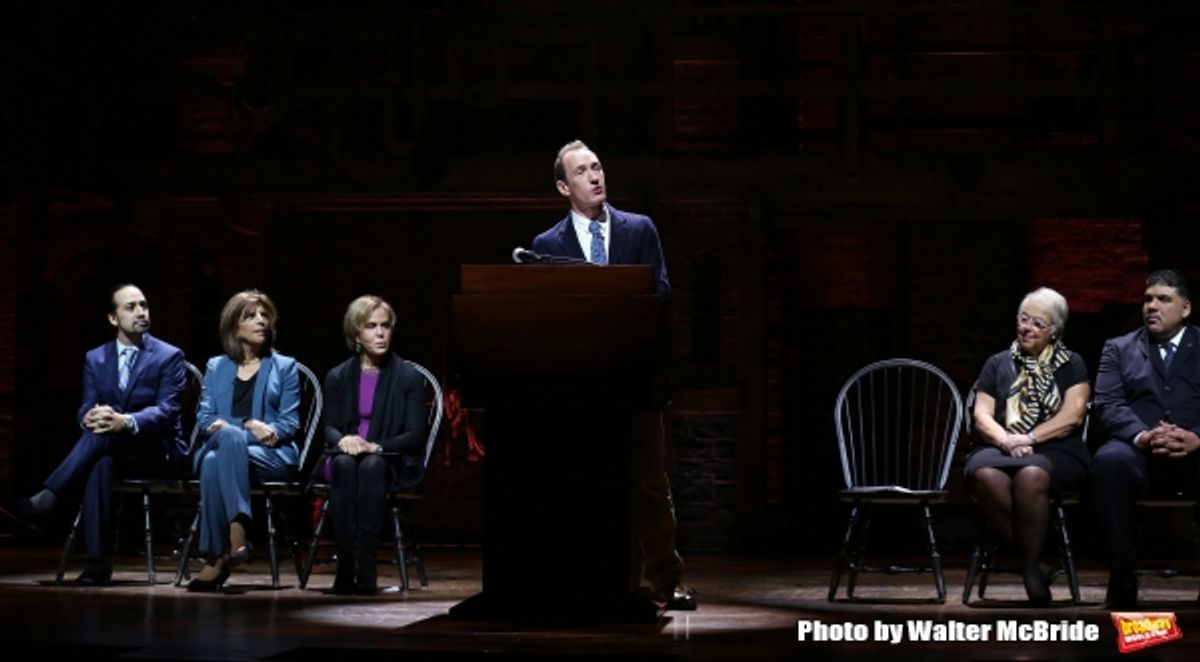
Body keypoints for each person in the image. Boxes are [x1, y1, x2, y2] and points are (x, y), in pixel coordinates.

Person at [530, 139, 694, 610]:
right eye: (582, 172)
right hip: (580, 384)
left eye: (598, 167)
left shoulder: (639, 229)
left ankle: (667, 579)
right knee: (582, 481)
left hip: (636, 376)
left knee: (649, 482)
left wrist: (612, 313)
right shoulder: (547, 245)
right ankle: (581, 577)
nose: (595, 176)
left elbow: (659, 294)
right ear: (564, 186)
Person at [6, 284, 187, 585]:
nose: (141, 312)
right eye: (130, 307)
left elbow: (169, 411)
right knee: (100, 463)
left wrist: (125, 421)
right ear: (113, 318)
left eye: (144, 305)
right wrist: (88, 416)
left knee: (105, 437)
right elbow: (86, 405)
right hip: (112, 450)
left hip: (154, 452)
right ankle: (97, 565)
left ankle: (47, 499)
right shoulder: (96, 358)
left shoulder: (169, 356)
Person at [963, 287, 1090, 605]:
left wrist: (1031, 438)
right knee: (984, 474)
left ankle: (1029, 569)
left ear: (1055, 331)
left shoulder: (1072, 364)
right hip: (1004, 443)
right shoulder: (997, 363)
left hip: (1057, 448)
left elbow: (1073, 416)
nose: (1027, 328)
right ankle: (1033, 565)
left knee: (1031, 474)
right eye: (1023, 319)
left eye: (1038, 323)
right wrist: (1007, 440)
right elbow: (982, 415)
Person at [1093, 269, 1200, 609]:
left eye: (1163, 299)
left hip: (1195, 449)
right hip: (1137, 449)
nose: (1152, 306)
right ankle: (1122, 575)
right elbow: (1108, 403)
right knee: (1109, 461)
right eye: (1148, 299)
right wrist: (1143, 436)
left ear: (1185, 309)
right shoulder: (1118, 348)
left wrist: (1197, 438)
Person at [186, 290, 300, 592]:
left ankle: (216, 556)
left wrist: (255, 431)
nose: (261, 321)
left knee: (213, 462)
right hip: (225, 444)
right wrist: (247, 426)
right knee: (226, 442)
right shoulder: (216, 366)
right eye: (250, 316)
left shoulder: (284, 367)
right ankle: (238, 535)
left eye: (264, 315)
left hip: (270, 455)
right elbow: (205, 418)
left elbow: (289, 424)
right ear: (234, 326)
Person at [319, 295, 427, 595]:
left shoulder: (408, 376)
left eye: (385, 326)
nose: (380, 333)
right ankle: (344, 564)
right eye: (371, 326)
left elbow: (416, 434)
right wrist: (343, 440)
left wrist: (376, 446)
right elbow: (327, 427)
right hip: (345, 453)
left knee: (370, 466)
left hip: (388, 457)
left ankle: (366, 562)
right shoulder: (338, 376)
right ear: (356, 333)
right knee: (342, 463)